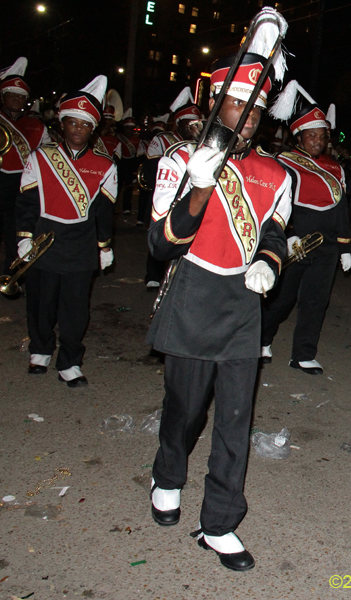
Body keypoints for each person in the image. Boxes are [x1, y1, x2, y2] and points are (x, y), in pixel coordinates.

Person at [147, 24, 292, 570]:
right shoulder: (178, 161)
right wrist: (200, 184)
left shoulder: (276, 174)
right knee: (185, 409)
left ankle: (220, 522)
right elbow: (162, 243)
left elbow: (275, 232)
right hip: (192, 292)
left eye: (255, 109)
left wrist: (268, 262)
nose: (248, 116)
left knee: (236, 415)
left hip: (242, 304)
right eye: (237, 105)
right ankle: (168, 474)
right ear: (216, 105)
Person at [15, 75, 117, 386]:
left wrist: (105, 246)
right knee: (41, 301)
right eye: (72, 123)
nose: (77, 129)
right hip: (45, 241)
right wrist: (23, 239)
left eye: (85, 125)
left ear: (92, 129)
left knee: (75, 309)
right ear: (62, 123)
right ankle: (40, 350)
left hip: (81, 246)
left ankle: (70, 361)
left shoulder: (106, 166)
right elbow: (27, 203)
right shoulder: (40, 157)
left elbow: (103, 212)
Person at [260, 80, 351, 374]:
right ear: (299, 137)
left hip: (325, 247)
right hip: (294, 242)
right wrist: (285, 236)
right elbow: (276, 205)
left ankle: (303, 354)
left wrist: (344, 248)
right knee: (282, 299)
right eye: (311, 136)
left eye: (321, 136)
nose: (317, 141)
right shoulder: (284, 162)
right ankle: (262, 340)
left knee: (316, 302)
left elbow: (341, 208)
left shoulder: (335, 168)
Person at [0, 58, 48, 289]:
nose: (16, 99)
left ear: (26, 101)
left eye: (21, 96)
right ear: (2, 97)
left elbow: (46, 156)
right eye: (12, 95)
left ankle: (13, 274)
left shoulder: (37, 126)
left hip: (23, 185)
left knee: (18, 232)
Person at [144, 88, 203, 288]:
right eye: (188, 124)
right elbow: (152, 168)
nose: (193, 127)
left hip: (190, 199)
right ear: (178, 124)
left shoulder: (201, 145)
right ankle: (153, 274)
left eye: (196, 123)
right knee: (160, 234)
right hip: (165, 191)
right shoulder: (162, 140)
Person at [115, 109, 141, 215]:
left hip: (130, 165)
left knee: (128, 188)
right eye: (128, 128)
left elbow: (138, 156)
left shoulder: (137, 140)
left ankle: (127, 208)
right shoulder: (117, 138)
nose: (130, 131)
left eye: (132, 128)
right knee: (117, 187)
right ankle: (114, 206)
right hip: (120, 165)